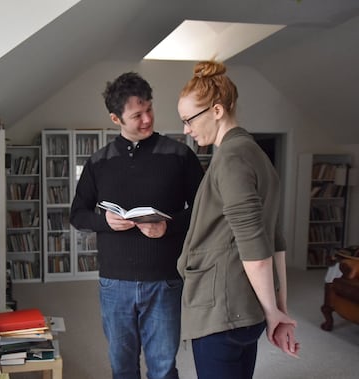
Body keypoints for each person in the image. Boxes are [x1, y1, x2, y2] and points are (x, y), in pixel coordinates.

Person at [70, 72, 204, 379]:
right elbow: (77, 214)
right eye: (136, 115)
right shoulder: (98, 162)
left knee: (162, 366)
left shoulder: (180, 155)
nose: (147, 120)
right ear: (116, 118)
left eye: (150, 110)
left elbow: (204, 211)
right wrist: (104, 221)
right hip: (114, 283)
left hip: (164, 279)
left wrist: (167, 227)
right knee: (122, 366)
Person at [176, 60, 300, 379]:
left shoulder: (231, 158)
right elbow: (277, 240)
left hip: (223, 309)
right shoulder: (256, 154)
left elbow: (257, 250)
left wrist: (274, 312)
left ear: (217, 110)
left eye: (189, 119)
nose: (186, 129)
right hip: (246, 309)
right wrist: (278, 308)